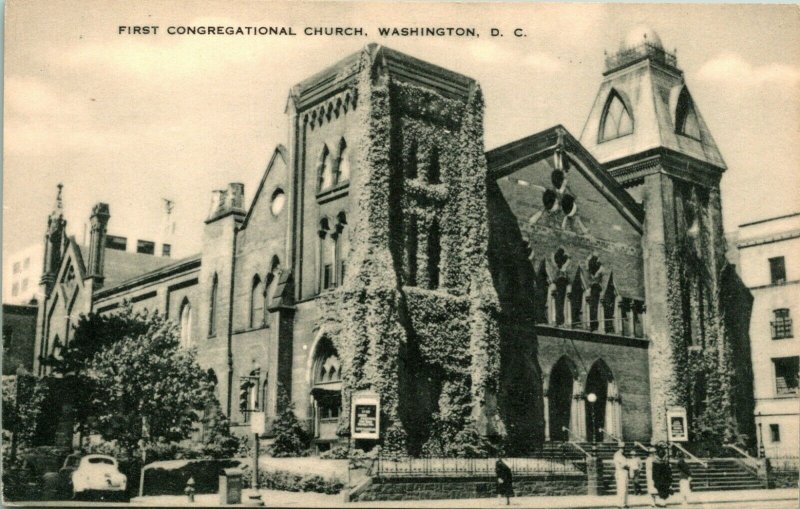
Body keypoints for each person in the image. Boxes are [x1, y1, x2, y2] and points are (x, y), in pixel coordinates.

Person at [612, 442, 629, 508]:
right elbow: (622, 465)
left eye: (623, 448)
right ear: (618, 448)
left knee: (625, 488)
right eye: (621, 448)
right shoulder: (617, 455)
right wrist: (628, 465)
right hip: (620, 472)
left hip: (624, 472)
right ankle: (621, 504)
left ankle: (624, 503)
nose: (622, 449)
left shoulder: (623, 455)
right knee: (621, 489)